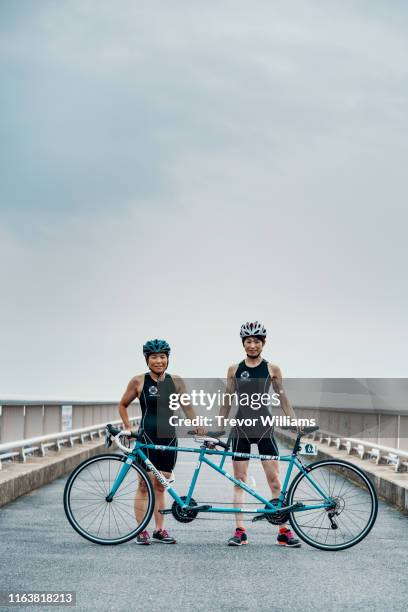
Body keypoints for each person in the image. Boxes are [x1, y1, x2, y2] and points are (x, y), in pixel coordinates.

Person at [219, 321, 301, 547]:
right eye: (248, 341)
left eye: (256, 341)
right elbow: (227, 398)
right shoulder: (234, 369)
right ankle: (240, 531)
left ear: (263, 343)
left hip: (264, 427)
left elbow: (282, 397)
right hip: (241, 430)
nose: (252, 345)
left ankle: (283, 531)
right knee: (240, 482)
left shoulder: (272, 369)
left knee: (275, 481)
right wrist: (219, 424)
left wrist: (293, 420)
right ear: (243, 344)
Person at [118, 338, 201, 545]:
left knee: (161, 485)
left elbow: (187, 407)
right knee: (143, 485)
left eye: (162, 357)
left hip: (169, 439)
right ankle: (141, 531)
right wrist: (128, 427)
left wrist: (199, 427)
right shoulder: (138, 381)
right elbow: (122, 405)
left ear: (167, 359)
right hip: (146, 437)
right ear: (147, 359)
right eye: (154, 357)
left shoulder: (176, 381)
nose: (159, 361)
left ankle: (160, 530)